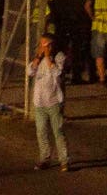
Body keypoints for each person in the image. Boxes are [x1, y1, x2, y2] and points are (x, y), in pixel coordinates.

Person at [29, 34, 70, 171]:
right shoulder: (38, 58)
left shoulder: (59, 57)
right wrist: (38, 58)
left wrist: (47, 58)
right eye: (41, 44)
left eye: (45, 45)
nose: (42, 47)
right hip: (39, 102)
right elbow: (29, 72)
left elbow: (57, 73)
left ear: (51, 46)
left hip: (54, 102)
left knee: (58, 131)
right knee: (41, 131)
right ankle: (44, 158)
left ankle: (64, 161)